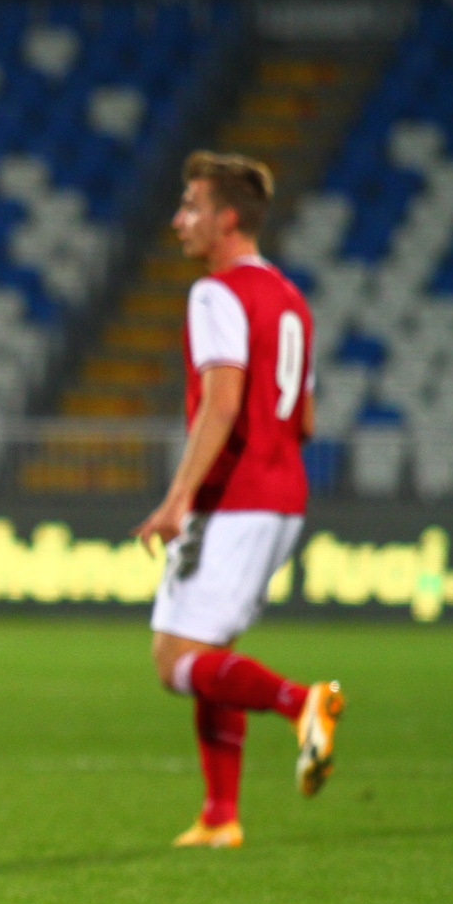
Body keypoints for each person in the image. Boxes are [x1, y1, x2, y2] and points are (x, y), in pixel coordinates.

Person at [133, 152, 343, 849]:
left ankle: (300, 701)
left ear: (226, 218)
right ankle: (220, 814)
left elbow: (222, 401)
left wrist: (177, 497)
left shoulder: (214, 292)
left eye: (190, 205)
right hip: (284, 496)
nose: (178, 220)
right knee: (211, 651)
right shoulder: (291, 299)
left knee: (174, 659)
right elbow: (306, 418)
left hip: (234, 497)